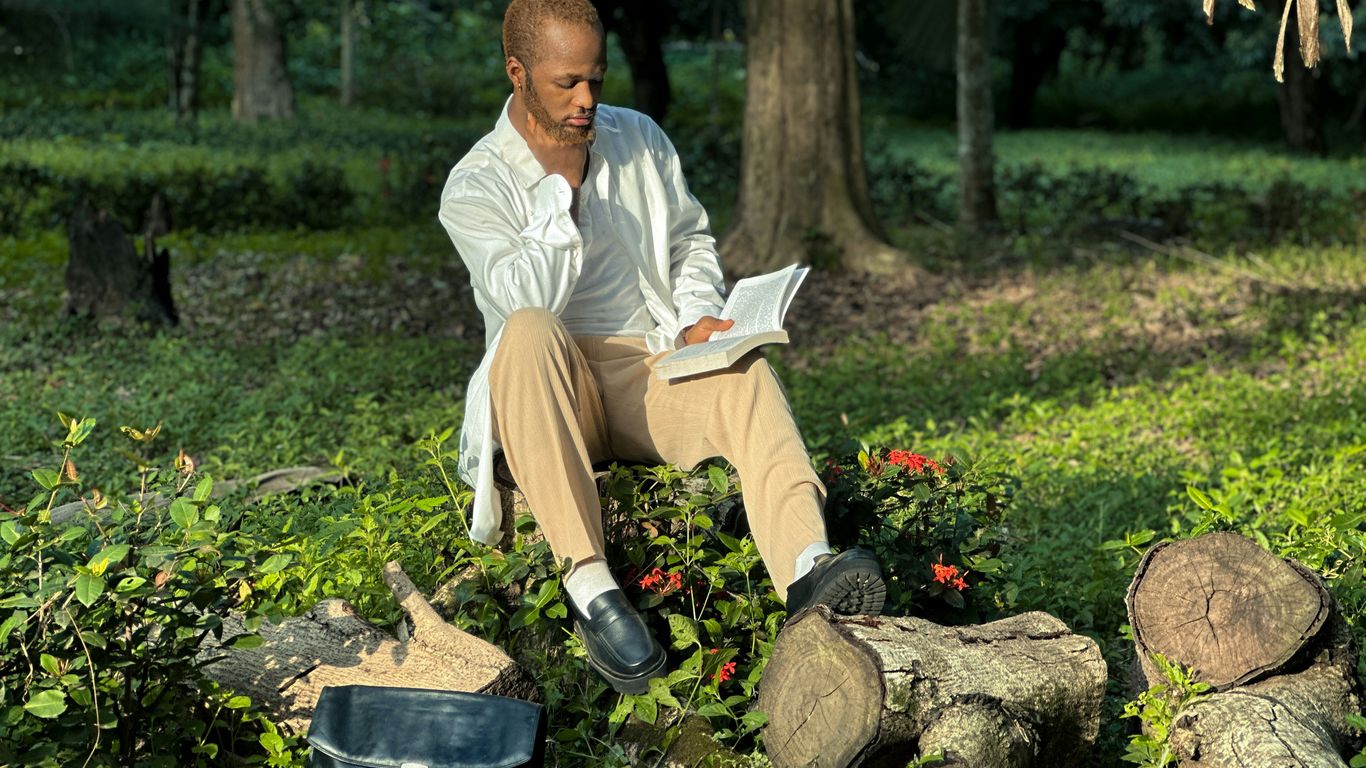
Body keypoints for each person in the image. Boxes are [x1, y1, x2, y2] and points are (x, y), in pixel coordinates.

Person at [437, 0, 884, 695]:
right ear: (516, 73)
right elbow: (527, 296)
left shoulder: (639, 137)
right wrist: (564, 189)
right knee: (527, 331)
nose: (587, 100)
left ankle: (808, 569)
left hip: (649, 366)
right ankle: (592, 588)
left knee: (745, 368)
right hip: (552, 390)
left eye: (597, 80)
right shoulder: (476, 185)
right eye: (567, 84)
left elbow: (688, 241)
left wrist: (697, 316)